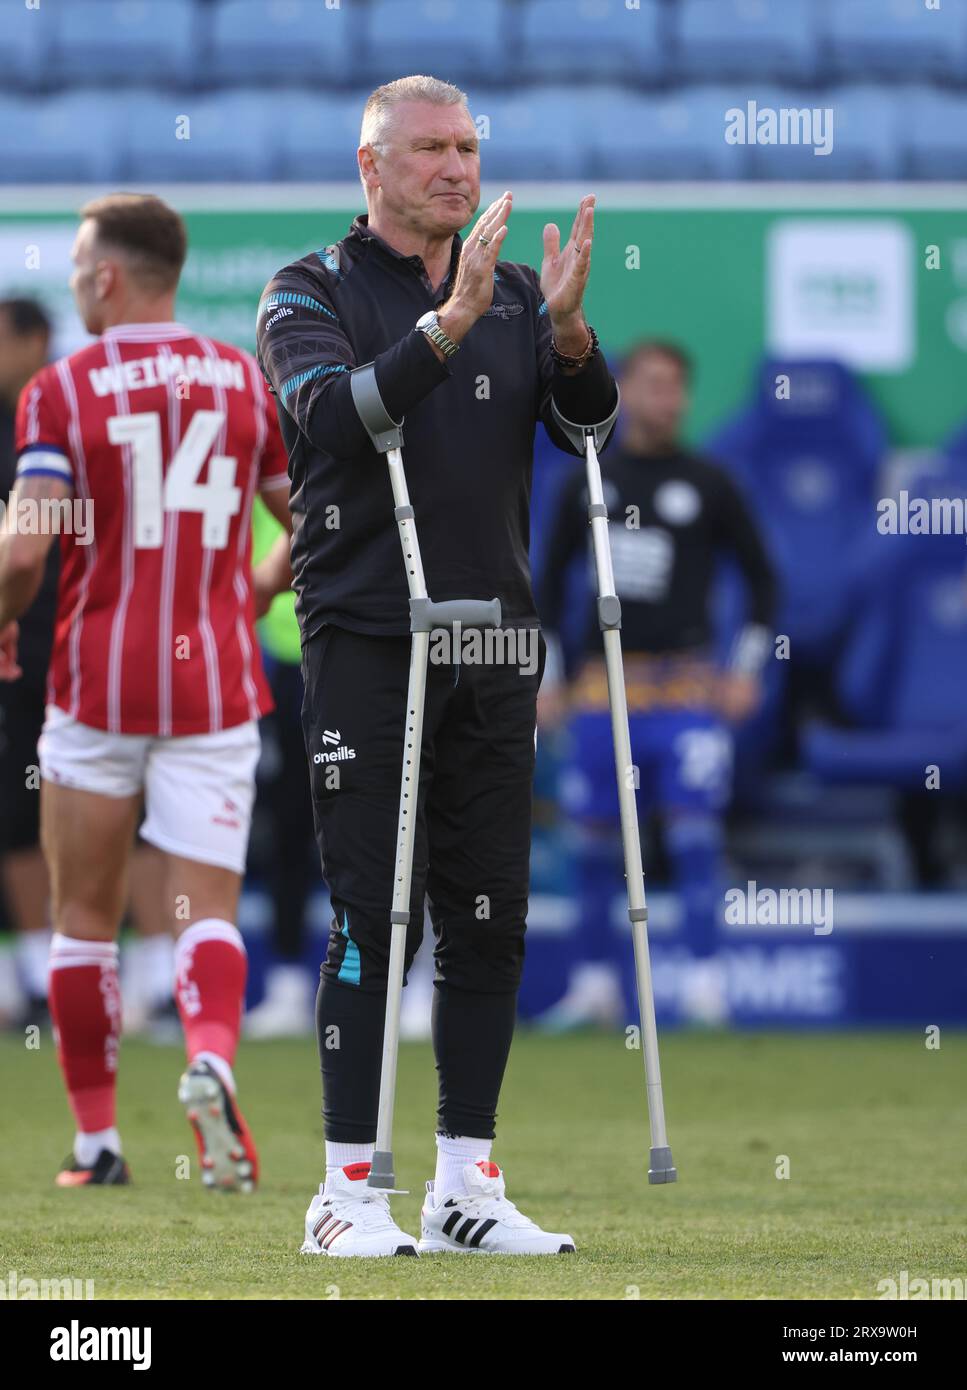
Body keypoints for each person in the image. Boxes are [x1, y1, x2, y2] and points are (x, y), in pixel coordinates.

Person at [257, 75, 618, 1257]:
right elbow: (334, 420)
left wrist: (563, 331)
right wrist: (444, 326)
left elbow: (588, 424)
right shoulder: (307, 288)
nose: (456, 168)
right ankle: (343, 1193)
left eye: (468, 147)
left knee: (489, 913)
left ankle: (466, 1183)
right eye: (429, 150)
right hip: (369, 625)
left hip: (492, 635)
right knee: (375, 915)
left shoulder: (515, 292)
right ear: (372, 167)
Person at [0, 193, 292, 1189]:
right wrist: (248, 591)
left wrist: (3, 612)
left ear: (107, 277)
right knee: (204, 903)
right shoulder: (245, 382)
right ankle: (208, 1052)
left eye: (80, 266)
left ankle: (97, 1144)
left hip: (95, 681)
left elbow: (27, 550)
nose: (75, 281)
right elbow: (315, 518)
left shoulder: (59, 390)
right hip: (210, 678)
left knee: (85, 916)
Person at [537, 341, 776, 1026]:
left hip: (683, 692)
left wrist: (745, 670)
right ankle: (593, 987)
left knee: (695, 839)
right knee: (590, 844)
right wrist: (548, 679)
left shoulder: (708, 483)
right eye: (648, 385)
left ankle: (704, 984)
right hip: (601, 693)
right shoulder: (587, 478)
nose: (661, 400)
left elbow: (763, 579)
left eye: (673, 387)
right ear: (624, 391)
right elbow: (547, 587)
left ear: (687, 397)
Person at [0, 299, 56, 1025]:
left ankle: (141, 982)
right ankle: (39, 979)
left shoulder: (64, 406)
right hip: (15, 643)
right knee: (18, 805)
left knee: (116, 811)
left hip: (76, 639)